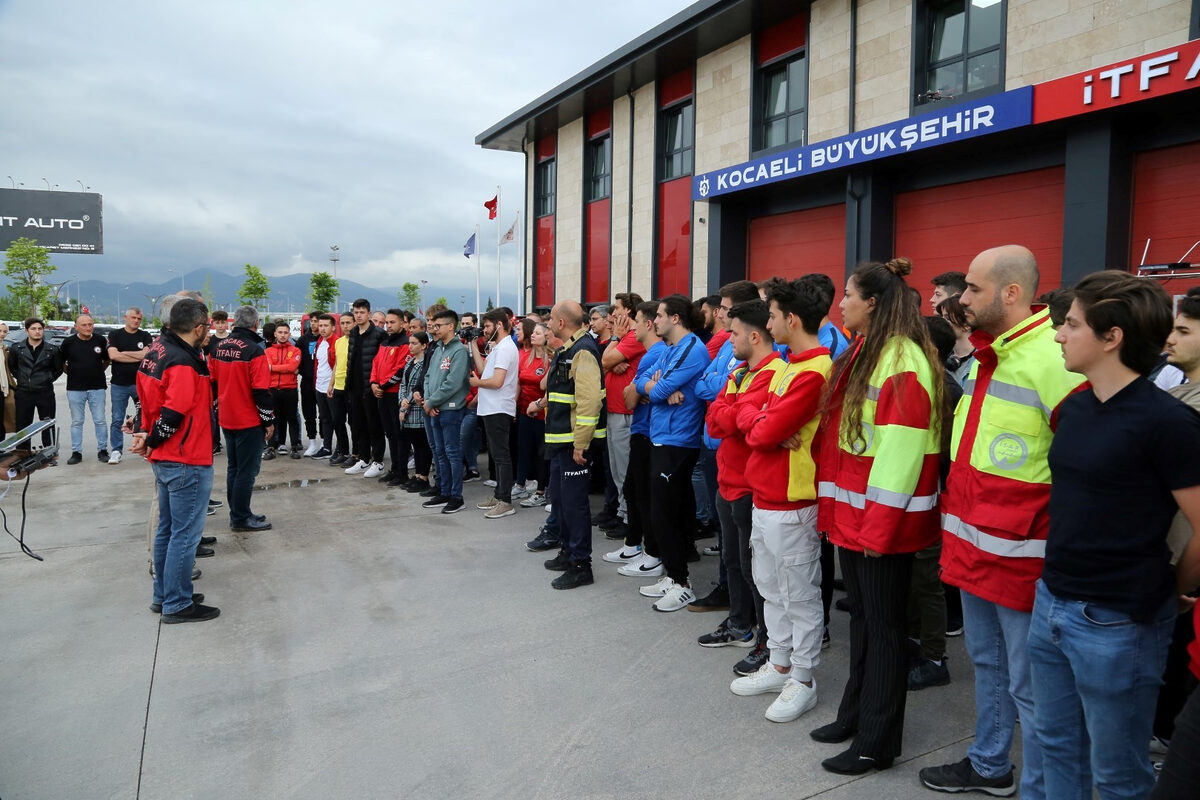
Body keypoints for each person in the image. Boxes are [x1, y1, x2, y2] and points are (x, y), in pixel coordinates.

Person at [1025, 271, 1200, 800]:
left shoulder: (1166, 422)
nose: (1058, 333)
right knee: (1055, 743)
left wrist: (1179, 587)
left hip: (1118, 622)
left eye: (1072, 324)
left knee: (1119, 772)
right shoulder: (1076, 407)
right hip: (1051, 600)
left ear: (1111, 337)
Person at [921, 245, 1081, 799]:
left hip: (1022, 562)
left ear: (1011, 293)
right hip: (976, 553)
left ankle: (1042, 789)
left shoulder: (1053, 361)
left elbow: (1084, 470)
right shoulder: (992, 357)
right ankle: (990, 764)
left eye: (973, 288)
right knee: (988, 666)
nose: (961, 299)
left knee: (1033, 687)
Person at [811, 257, 943, 776]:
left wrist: (877, 528)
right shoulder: (871, 349)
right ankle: (855, 716)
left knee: (885, 629)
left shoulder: (903, 358)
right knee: (864, 622)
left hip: (879, 524)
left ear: (872, 303)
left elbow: (902, 454)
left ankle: (877, 742)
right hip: (857, 517)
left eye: (848, 294)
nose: (840, 303)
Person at [725, 285, 831, 724]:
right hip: (767, 496)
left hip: (794, 500)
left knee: (798, 595)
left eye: (771, 316)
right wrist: (759, 419)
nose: (765, 325)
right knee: (771, 588)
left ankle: (803, 679)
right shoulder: (790, 366)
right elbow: (750, 419)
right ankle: (781, 664)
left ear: (791, 320)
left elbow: (763, 431)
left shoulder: (815, 370)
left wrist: (759, 421)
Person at [132, 297, 219, 623]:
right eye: (207, 326)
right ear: (198, 327)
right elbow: (172, 414)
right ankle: (178, 603)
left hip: (168, 459)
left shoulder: (156, 351)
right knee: (184, 535)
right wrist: (152, 439)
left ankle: (164, 595)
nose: (208, 331)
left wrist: (147, 437)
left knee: (168, 531)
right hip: (186, 458)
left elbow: (145, 401)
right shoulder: (183, 362)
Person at [632, 294, 712, 611]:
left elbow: (660, 389)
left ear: (675, 318)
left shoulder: (692, 349)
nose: (656, 321)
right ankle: (672, 574)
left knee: (666, 513)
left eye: (661, 315)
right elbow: (641, 381)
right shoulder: (668, 350)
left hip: (679, 441)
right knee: (661, 510)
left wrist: (657, 387)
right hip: (661, 434)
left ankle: (682, 583)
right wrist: (655, 386)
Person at [692, 279, 761, 613]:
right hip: (715, 446)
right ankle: (730, 599)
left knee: (741, 546)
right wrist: (725, 388)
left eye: (726, 308)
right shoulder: (726, 346)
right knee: (727, 541)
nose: (720, 314)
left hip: (734, 453)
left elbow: (723, 392)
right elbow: (707, 384)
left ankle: (744, 614)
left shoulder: (759, 359)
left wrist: (724, 389)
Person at [541, 300, 604, 589]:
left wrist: (581, 443)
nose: (548, 324)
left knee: (576, 504)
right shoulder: (568, 349)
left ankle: (581, 564)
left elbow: (589, 400)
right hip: (560, 441)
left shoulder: (584, 351)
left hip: (573, 444)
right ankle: (568, 551)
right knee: (563, 500)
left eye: (551, 319)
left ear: (562, 322)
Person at [209, 306, 274, 532]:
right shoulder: (254, 350)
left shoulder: (218, 347)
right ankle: (239, 518)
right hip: (248, 419)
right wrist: (268, 421)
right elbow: (261, 390)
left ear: (234, 322)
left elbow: (212, 382)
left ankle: (240, 512)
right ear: (255, 324)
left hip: (227, 417)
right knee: (247, 471)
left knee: (234, 468)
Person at [598, 293, 645, 541]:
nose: (613, 313)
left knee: (625, 471)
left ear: (627, 311)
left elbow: (605, 359)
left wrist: (614, 345)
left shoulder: (632, 336)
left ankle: (629, 519)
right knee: (618, 470)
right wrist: (611, 361)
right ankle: (623, 513)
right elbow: (603, 363)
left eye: (616, 308)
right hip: (615, 410)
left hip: (627, 413)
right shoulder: (623, 338)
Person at [471, 308, 520, 518]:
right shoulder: (499, 347)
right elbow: (483, 369)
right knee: (497, 455)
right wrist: (473, 344)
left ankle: (506, 500)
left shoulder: (505, 348)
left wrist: (476, 383)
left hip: (499, 407)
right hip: (491, 407)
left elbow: (497, 381)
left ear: (499, 325)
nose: (485, 330)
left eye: (488, 326)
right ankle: (500, 494)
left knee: (502, 456)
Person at [422, 308, 470, 514]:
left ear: (451, 326)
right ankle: (444, 490)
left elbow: (453, 383)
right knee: (439, 453)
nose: (435, 328)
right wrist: (429, 401)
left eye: (438, 325)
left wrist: (432, 402)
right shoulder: (438, 348)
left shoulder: (458, 351)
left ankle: (456, 496)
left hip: (450, 410)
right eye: (433, 325)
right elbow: (428, 377)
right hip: (435, 408)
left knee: (452, 453)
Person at [105, 307, 154, 463]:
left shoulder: (145, 335)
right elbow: (113, 355)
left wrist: (123, 353)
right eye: (133, 318)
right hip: (119, 384)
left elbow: (146, 355)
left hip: (141, 383)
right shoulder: (115, 334)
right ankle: (116, 450)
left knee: (146, 416)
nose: (136, 321)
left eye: (139, 319)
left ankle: (147, 447)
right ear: (125, 317)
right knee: (117, 418)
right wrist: (136, 355)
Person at [344, 299, 386, 476]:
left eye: (362, 312)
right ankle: (363, 458)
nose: (358, 315)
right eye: (356, 312)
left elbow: (382, 361)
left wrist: (377, 383)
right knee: (357, 424)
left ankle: (378, 461)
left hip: (370, 386)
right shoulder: (353, 332)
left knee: (374, 425)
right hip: (354, 386)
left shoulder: (378, 334)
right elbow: (350, 358)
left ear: (369, 313)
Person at [60, 314, 109, 464]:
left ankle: (103, 450)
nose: (88, 328)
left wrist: (98, 371)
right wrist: (73, 373)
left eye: (90, 324)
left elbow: (107, 359)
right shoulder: (68, 342)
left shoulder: (100, 340)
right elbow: (61, 362)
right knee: (77, 421)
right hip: (75, 388)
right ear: (76, 327)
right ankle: (76, 452)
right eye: (84, 325)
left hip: (97, 387)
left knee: (100, 420)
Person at [370, 309, 410, 486]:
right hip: (381, 394)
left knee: (399, 435)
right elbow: (375, 364)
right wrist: (373, 383)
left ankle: (402, 472)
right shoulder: (384, 342)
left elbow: (401, 370)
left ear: (402, 323)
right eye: (388, 323)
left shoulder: (406, 343)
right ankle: (394, 469)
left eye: (393, 322)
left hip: (394, 394)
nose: (389, 326)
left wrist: (383, 386)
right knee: (390, 434)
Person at [9, 318, 62, 449]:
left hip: (45, 391)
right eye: (33, 329)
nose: (37, 332)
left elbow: (58, 368)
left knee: (47, 422)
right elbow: (13, 367)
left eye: (40, 329)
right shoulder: (17, 348)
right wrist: (22, 378)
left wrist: (48, 378)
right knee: (22, 423)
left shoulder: (52, 349)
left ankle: (49, 450)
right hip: (24, 392)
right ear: (27, 331)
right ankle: (22, 451)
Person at [399, 331, 433, 493]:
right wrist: (402, 402)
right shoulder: (410, 362)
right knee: (415, 443)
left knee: (422, 445)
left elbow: (418, 387)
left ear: (424, 345)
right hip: (408, 408)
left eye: (414, 343)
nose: (410, 346)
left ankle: (423, 476)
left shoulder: (425, 363)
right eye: (409, 343)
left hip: (418, 409)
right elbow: (403, 385)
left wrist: (408, 403)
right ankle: (418, 474)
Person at [265, 320, 302, 458]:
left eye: (285, 332)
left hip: (290, 389)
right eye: (280, 332)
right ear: (275, 333)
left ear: (289, 334)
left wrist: (273, 368)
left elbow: (292, 367)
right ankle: (272, 447)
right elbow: (266, 367)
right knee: (274, 419)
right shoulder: (268, 351)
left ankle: (294, 447)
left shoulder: (295, 350)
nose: (282, 335)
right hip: (273, 389)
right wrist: (285, 368)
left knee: (291, 418)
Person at [310, 314, 337, 459]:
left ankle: (340, 448)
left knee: (336, 418)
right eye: (320, 325)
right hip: (319, 386)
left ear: (333, 327)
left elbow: (337, 366)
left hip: (331, 387)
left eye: (326, 325)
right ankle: (326, 447)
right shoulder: (320, 341)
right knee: (324, 418)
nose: (322, 328)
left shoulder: (336, 342)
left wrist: (332, 385)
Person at [328, 312, 354, 466]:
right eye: (342, 323)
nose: (345, 326)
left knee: (354, 423)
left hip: (351, 388)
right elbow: (337, 364)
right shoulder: (338, 342)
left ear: (354, 323)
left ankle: (356, 453)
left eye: (348, 323)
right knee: (337, 420)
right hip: (337, 386)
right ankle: (343, 451)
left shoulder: (357, 341)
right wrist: (330, 384)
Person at [296, 314, 321, 455]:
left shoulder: (325, 340)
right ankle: (312, 442)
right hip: (306, 381)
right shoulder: (303, 340)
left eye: (316, 321)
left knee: (324, 415)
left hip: (322, 381)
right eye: (311, 321)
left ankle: (325, 441)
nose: (313, 324)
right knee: (308, 413)